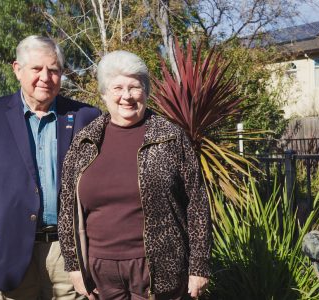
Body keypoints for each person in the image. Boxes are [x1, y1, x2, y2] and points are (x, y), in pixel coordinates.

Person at [0, 35, 100, 299]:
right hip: (5, 248)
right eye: (37, 69)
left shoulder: (85, 117)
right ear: (17, 69)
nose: (46, 77)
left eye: (54, 70)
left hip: (68, 253)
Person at [58, 50, 212, 300]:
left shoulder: (170, 137)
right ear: (104, 94)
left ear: (146, 92)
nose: (126, 96)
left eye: (134, 87)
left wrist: (199, 266)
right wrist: (74, 267)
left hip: (160, 268)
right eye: (117, 87)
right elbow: (67, 206)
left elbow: (197, 204)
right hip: (101, 273)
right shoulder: (85, 142)